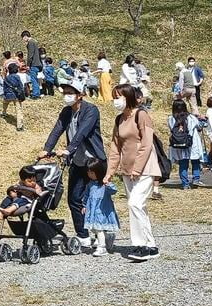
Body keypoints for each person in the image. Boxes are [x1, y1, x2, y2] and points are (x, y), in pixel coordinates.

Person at [40, 80, 105, 244]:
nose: (67, 96)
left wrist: (68, 149)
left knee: (94, 199)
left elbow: (82, 132)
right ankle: (83, 235)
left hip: (93, 161)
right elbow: (57, 129)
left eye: (70, 93)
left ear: (80, 95)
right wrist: (47, 149)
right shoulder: (67, 111)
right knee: (74, 199)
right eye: (65, 92)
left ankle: (101, 233)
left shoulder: (91, 110)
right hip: (77, 161)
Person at [105, 84, 160, 261]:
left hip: (144, 169)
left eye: (118, 97)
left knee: (134, 204)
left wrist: (137, 168)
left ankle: (140, 245)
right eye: (114, 97)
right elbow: (115, 148)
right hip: (127, 170)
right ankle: (151, 246)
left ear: (128, 97)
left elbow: (147, 143)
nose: (116, 101)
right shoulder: (119, 120)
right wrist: (110, 172)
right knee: (139, 207)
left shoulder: (141, 115)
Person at [82, 161, 119, 257]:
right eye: (88, 172)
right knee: (94, 228)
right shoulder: (90, 184)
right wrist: (84, 205)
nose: (89, 174)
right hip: (92, 210)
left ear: (98, 172)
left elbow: (114, 190)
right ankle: (108, 237)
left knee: (99, 229)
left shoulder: (104, 184)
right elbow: (86, 195)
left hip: (102, 210)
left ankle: (102, 247)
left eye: (91, 172)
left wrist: (108, 184)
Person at [167, 99, 204, 188]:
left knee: (183, 163)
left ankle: (185, 184)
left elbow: (171, 128)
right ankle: (196, 179)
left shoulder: (171, 118)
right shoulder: (191, 117)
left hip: (178, 143)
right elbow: (199, 126)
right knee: (195, 161)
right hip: (192, 142)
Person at [1, 60, 26, 132]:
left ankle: (4, 113)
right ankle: (19, 126)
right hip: (16, 96)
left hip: (8, 95)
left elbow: (4, 87)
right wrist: (22, 94)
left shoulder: (6, 78)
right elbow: (20, 86)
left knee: (5, 103)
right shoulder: (17, 77)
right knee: (18, 110)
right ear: (16, 70)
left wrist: (5, 94)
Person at [23, 31, 42, 99]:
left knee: (33, 80)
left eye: (23, 38)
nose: (23, 40)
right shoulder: (35, 42)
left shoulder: (30, 42)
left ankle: (35, 95)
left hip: (33, 64)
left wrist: (28, 65)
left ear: (25, 36)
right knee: (35, 80)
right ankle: (38, 93)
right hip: (38, 63)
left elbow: (30, 55)